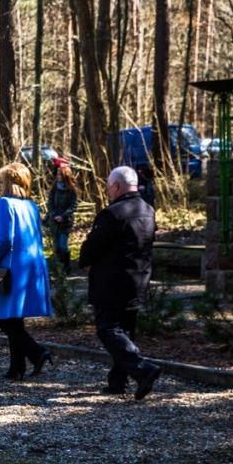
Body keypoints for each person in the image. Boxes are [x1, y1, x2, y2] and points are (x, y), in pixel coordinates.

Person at [78, 166, 162, 400]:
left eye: (108, 186)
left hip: (112, 280)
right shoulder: (148, 209)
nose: (107, 190)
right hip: (139, 277)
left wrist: (86, 261)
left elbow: (93, 245)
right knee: (125, 330)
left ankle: (142, 369)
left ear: (116, 186)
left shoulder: (113, 213)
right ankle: (118, 381)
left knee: (108, 329)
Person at [0, 162, 53, 381]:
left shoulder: (5, 204)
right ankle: (16, 368)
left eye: (3, 180)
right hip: (31, 267)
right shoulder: (32, 206)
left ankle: (36, 352)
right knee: (15, 318)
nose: (0, 184)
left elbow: (4, 239)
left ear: (10, 182)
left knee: (4, 320)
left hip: (10, 267)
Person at [46, 160, 79, 274]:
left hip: (66, 222)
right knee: (56, 246)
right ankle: (58, 269)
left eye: (60, 174)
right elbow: (50, 203)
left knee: (63, 245)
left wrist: (63, 216)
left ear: (65, 175)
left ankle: (67, 268)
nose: (58, 176)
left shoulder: (72, 189)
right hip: (54, 220)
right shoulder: (54, 188)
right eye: (58, 174)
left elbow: (73, 205)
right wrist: (54, 215)